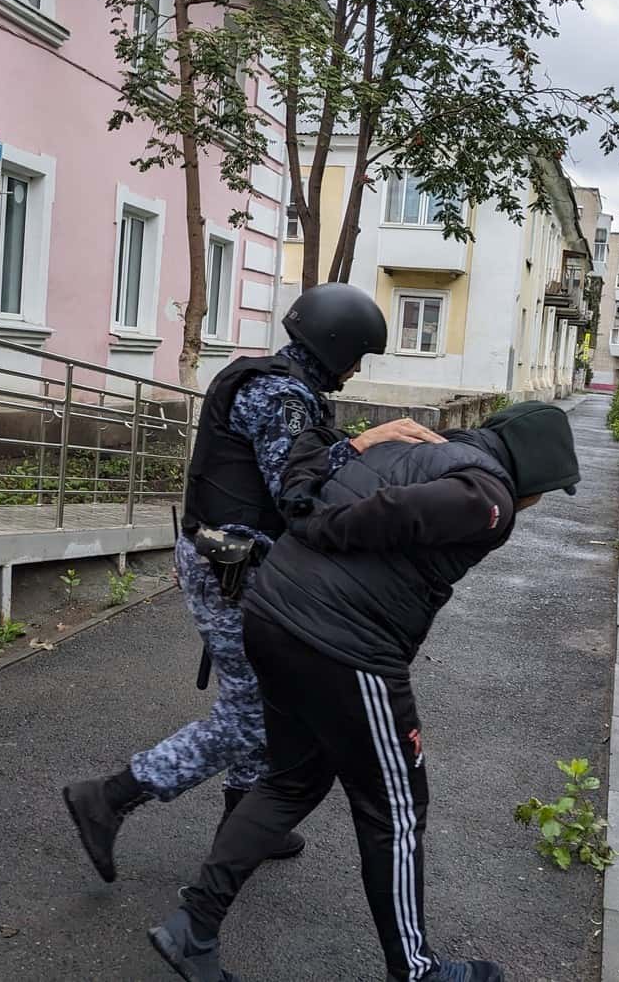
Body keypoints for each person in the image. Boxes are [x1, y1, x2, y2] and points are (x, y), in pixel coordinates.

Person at [147, 401, 582, 982]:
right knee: (395, 810)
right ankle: (416, 970)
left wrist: (308, 518)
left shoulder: (419, 448)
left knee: (291, 781)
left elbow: (323, 478)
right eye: (547, 489)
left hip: (273, 613)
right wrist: (318, 526)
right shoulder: (489, 495)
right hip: (342, 647)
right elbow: (394, 511)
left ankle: (193, 926)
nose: (540, 501)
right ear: (535, 469)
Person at [62, 283, 444, 882]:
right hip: (232, 570)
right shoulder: (278, 394)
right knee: (253, 714)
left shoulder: (283, 385)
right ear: (334, 344)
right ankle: (109, 798)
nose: (355, 369)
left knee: (264, 699)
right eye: (357, 356)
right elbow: (296, 488)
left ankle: (241, 823)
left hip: (236, 564)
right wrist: (362, 445)